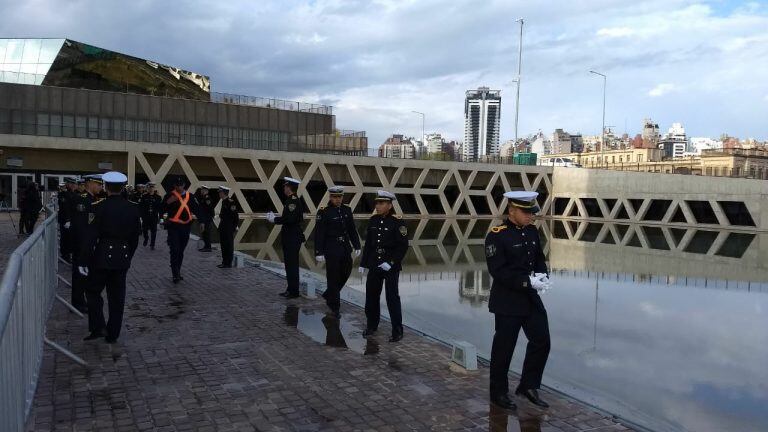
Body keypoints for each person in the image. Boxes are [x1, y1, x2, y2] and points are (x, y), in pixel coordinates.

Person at [485, 191, 552, 410]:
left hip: (530, 299)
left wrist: (542, 276)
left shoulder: (532, 231)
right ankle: (498, 392)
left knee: (542, 340)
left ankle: (528, 385)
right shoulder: (497, 235)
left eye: (532, 213)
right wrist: (527, 282)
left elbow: (539, 259)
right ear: (511, 211)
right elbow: (498, 271)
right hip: (507, 300)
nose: (531, 217)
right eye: (526, 213)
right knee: (504, 348)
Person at [79, 172, 141, 344]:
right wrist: (129, 255)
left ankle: (98, 326)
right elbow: (135, 238)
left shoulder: (99, 206)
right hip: (122, 256)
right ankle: (113, 334)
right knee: (117, 297)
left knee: (92, 291)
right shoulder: (133, 208)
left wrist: (84, 259)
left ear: (106, 187)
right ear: (122, 188)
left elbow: (90, 235)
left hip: (102, 256)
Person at [359, 190, 408, 342]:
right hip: (374, 263)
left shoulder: (398, 222)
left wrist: (392, 262)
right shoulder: (373, 220)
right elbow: (368, 244)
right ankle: (372, 325)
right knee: (371, 296)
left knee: (392, 298)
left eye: (381, 203)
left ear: (389, 205)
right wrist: (363, 263)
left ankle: (397, 330)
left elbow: (403, 246)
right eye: (377, 203)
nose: (378, 206)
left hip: (390, 266)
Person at [314, 185, 361, 318]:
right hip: (331, 248)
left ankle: (329, 293)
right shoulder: (324, 212)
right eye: (335, 197)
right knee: (333, 277)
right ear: (330, 197)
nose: (337, 199)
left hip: (345, 247)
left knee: (346, 271)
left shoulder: (347, 210)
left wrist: (357, 245)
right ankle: (334, 307)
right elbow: (319, 233)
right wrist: (319, 251)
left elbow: (352, 229)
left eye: (339, 197)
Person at [70, 174, 104, 313]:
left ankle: (82, 299)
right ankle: (77, 302)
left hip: (90, 244)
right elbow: (80, 226)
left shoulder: (95, 199)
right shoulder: (81, 200)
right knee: (79, 274)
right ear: (89, 183)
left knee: (87, 274)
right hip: (81, 244)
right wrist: (83, 246)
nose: (101, 187)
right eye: (98, 184)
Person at [266, 177, 304, 299]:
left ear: (289, 187)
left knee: (292, 265)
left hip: (292, 238)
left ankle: (294, 292)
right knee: (289, 264)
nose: (284, 188)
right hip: (290, 237)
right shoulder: (290, 200)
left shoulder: (292, 201)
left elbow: (290, 219)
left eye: (285, 186)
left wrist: (274, 220)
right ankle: (291, 289)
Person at [162, 177, 199, 283]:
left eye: (181, 185)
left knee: (181, 250)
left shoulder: (190, 196)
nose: (179, 187)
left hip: (185, 228)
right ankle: (175, 274)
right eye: (177, 185)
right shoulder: (169, 196)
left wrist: (202, 222)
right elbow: (161, 209)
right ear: (174, 186)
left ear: (184, 185)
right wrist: (168, 202)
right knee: (175, 250)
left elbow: (197, 209)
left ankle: (177, 269)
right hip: (173, 227)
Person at [216, 186, 239, 268]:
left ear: (223, 193)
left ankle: (228, 263)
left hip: (228, 228)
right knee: (223, 245)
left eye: (220, 192)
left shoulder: (231, 202)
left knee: (228, 245)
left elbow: (235, 217)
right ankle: (224, 261)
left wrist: (233, 228)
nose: (219, 194)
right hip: (223, 227)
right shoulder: (223, 202)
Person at [57, 177, 78, 262]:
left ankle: (69, 254)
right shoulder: (64, 194)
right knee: (65, 238)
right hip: (65, 220)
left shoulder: (74, 194)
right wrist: (67, 220)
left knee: (70, 238)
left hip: (72, 220)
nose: (73, 185)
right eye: (71, 184)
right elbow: (65, 208)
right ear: (67, 184)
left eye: (74, 184)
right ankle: (65, 254)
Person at [139, 182, 162, 249]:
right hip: (145, 217)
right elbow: (141, 206)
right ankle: (146, 238)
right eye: (149, 187)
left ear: (154, 188)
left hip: (154, 217)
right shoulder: (144, 196)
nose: (151, 189)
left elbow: (160, 208)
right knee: (144, 230)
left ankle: (152, 244)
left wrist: (161, 219)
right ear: (147, 188)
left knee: (153, 231)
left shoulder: (158, 197)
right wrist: (141, 215)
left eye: (152, 187)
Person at [196, 185, 215, 252]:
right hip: (204, 218)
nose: (201, 191)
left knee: (206, 233)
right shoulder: (203, 198)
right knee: (204, 233)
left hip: (207, 219)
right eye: (201, 190)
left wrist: (208, 217)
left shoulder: (207, 198)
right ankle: (206, 246)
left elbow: (209, 209)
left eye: (202, 190)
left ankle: (208, 247)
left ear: (206, 191)